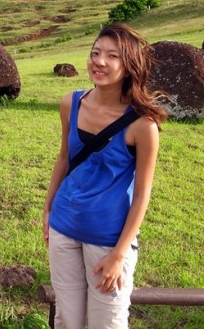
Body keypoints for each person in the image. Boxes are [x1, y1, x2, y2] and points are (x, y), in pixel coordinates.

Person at [43, 23, 167, 328]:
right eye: (95, 53)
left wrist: (119, 254)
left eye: (112, 56)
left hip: (108, 241)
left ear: (129, 66)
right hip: (64, 228)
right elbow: (64, 158)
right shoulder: (70, 103)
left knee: (107, 322)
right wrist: (47, 210)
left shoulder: (143, 125)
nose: (99, 61)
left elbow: (142, 194)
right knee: (67, 320)